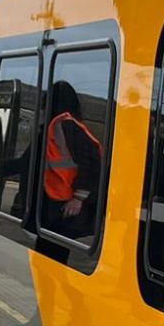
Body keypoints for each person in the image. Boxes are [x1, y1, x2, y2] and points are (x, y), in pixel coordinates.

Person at [41, 80, 103, 241]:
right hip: (61, 205)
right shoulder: (67, 125)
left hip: (68, 208)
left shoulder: (66, 126)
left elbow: (92, 163)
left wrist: (78, 198)